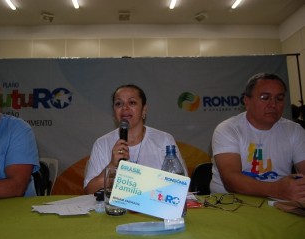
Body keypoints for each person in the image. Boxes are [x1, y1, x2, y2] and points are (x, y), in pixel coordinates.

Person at [210, 73, 305, 201]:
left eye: (279, 98)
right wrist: (277, 190)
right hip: (230, 203)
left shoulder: (295, 130)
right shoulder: (228, 129)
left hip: (281, 202)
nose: (273, 104)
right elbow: (231, 179)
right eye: (265, 98)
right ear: (247, 101)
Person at [84, 84, 187, 194]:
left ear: (144, 109)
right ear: (114, 111)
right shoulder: (102, 144)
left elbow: (182, 187)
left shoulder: (164, 140)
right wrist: (113, 165)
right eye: (118, 104)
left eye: (132, 102)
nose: (124, 108)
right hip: (115, 209)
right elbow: (89, 191)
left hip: (154, 208)